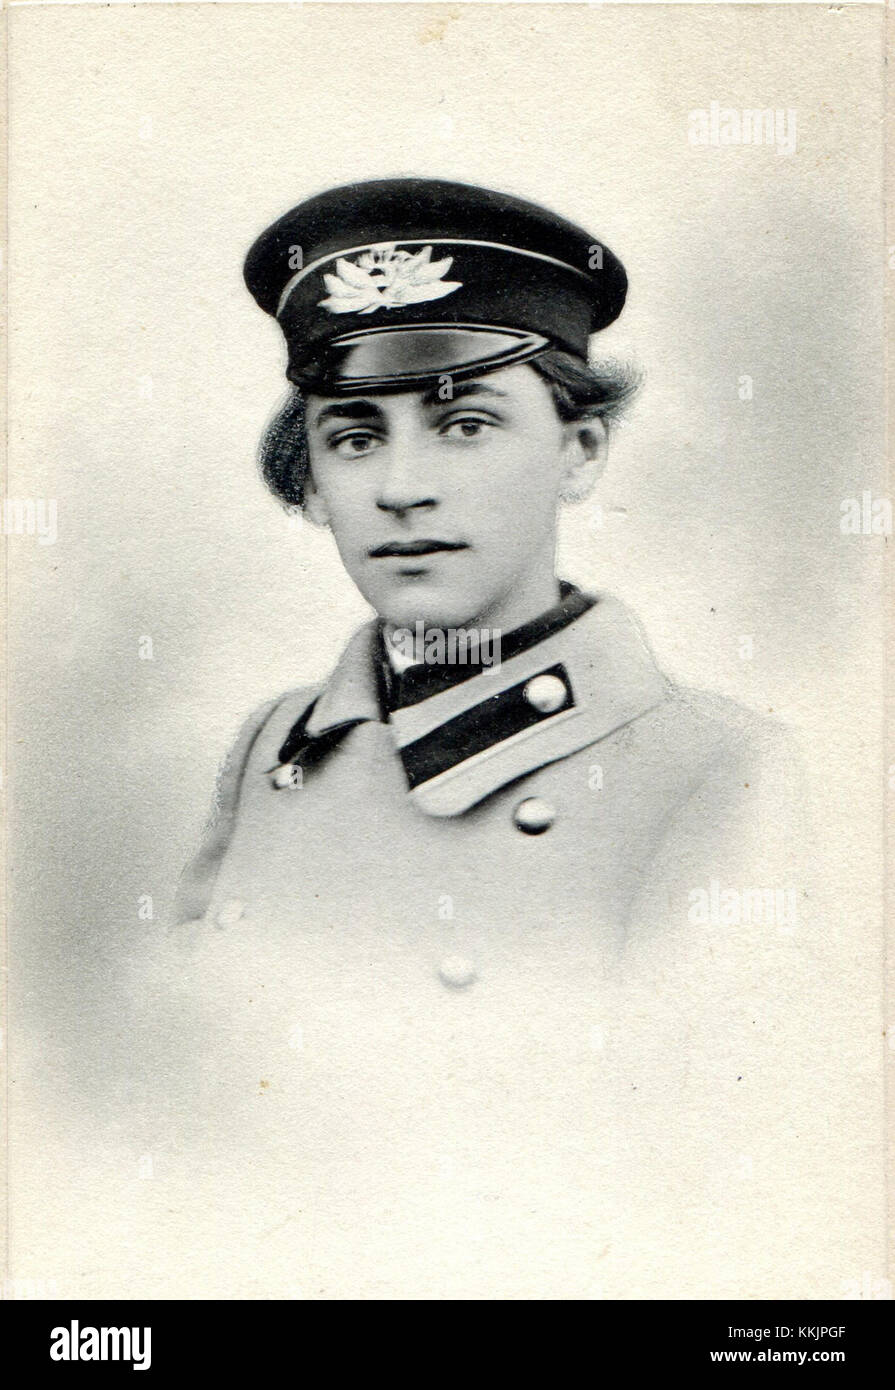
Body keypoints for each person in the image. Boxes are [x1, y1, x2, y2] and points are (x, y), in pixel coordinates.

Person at [156, 178, 834, 1299]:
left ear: (577, 453)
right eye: (355, 434)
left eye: (466, 425)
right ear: (312, 480)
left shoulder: (716, 771)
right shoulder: (274, 749)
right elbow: (174, 1110)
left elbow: (718, 1198)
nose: (405, 488)